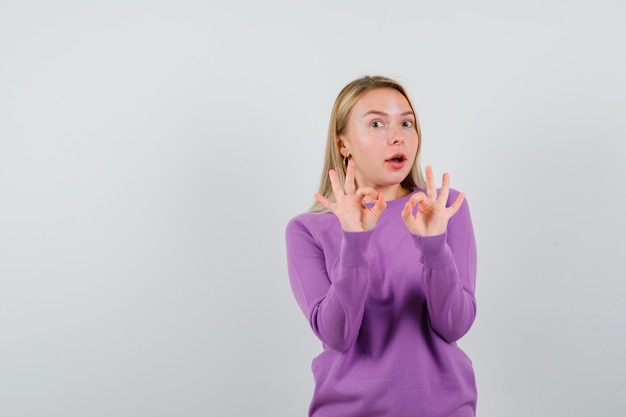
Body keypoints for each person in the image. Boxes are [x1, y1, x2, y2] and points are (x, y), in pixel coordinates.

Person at [285, 75, 478, 417]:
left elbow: (454, 325)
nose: (397, 136)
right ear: (343, 144)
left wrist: (433, 246)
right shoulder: (308, 230)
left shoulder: (444, 209)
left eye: (406, 123)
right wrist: (354, 242)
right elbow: (337, 335)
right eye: (376, 123)